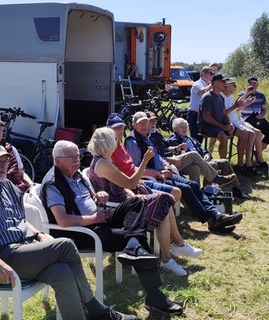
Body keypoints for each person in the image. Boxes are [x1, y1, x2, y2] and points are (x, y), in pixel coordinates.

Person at [0, 144, 136, 320]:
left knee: (62, 271)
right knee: (65, 245)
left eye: (5, 161)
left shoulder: (9, 188)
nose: (3, 165)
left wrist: (38, 235)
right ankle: (97, 310)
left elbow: (21, 220)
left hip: (23, 250)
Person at [40, 140, 184, 316]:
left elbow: (88, 197)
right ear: (57, 160)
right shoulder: (53, 183)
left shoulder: (76, 174)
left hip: (99, 219)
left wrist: (97, 195)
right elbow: (62, 220)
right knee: (133, 238)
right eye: (71, 157)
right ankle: (155, 296)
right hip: (81, 233)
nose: (77, 160)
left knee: (136, 202)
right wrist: (93, 217)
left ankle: (134, 245)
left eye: (78, 155)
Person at [87, 127, 203, 276]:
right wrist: (144, 161)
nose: (117, 141)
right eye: (114, 138)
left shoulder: (104, 160)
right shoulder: (102, 163)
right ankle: (170, 254)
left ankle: (174, 250)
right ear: (108, 142)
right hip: (119, 211)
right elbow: (130, 183)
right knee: (163, 201)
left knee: (164, 202)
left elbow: (123, 187)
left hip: (126, 202)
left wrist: (132, 195)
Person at [125, 111, 244, 233]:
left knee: (193, 185)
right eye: (141, 123)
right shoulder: (132, 142)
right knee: (186, 188)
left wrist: (166, 165)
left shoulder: (147, 137)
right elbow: (135, 168)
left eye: (146, 122)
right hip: (153, 178)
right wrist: (159, 174)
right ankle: (212, 219)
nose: (145, 125)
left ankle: (216, 215)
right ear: (134, 125)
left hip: (164, 171)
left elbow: (157, 157)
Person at [167, 117, 251, 199]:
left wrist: (207, 155)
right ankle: (209, 186)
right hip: (191, 163)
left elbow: (203, 151)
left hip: (202, 160)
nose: (185, 129)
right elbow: (177, 156)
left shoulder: (190, 139)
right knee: (211, 165)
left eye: (185, 126)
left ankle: (235, 189)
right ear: (175, 129)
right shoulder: (173, 139)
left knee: (224, 162)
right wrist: (182, 150)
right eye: (182, 127)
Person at [222, 79, 265, 175]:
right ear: (227, 87)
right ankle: (246, 163)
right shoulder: (222, 97)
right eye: (233, 86)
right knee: (251, 133)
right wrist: (243, 99)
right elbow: (224, 114)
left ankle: (259, 160)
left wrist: (246, 103)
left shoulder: (229, 96)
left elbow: (235, 111)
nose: (235, 88)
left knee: (257, 132)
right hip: (230, 122)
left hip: (237, 121)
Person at [237, 76, 269, 168]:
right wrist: (246, 95)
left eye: (255, 83)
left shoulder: (261, 95)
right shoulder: (242, 94)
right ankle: (258, 159)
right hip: (247, 118)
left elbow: (264, 109)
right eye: (251, 83)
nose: (252, 85)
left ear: (257, 85)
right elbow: (237, 107)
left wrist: (261, 115)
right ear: (247, 84)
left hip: (259, 117)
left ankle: (257, 152)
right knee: (257, 131)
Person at [187, 66, 214, 142]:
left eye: (213, 74)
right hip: (194, 114)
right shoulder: (197, 84)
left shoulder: (207, 85)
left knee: (200, 138)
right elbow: (203, 91)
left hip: (203, 115)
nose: (212, 76)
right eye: (210, 73)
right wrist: (212, 84)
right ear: (202, 74)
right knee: (195, 137)